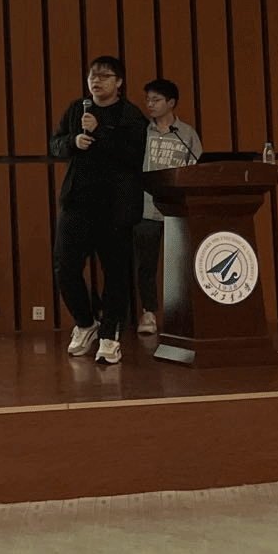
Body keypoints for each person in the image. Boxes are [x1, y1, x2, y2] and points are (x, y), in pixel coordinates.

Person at [48, 56, 148, 365]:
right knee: (65, 268)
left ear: (119, 82)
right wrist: (72, 141)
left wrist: (100, 130)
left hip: (115, 207)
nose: (96, 81)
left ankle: (109, 336)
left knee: (115, 273)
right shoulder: (77, 109)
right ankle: (86, 323)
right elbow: (54, 144)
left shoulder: (131, 115)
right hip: (77, 203)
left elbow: (135, 155)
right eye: (93, 75)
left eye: (104, 76)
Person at [137, 78, 202, 337]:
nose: (150, 104)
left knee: (180, 264)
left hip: (177, 210)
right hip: (146, 207)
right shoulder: (143, 132)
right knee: (147, 264)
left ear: (171, 102)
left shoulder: (186, 134)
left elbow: (197, 168)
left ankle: (182, 314)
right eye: (148, 100)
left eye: (156, 100)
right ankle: (149, 313)